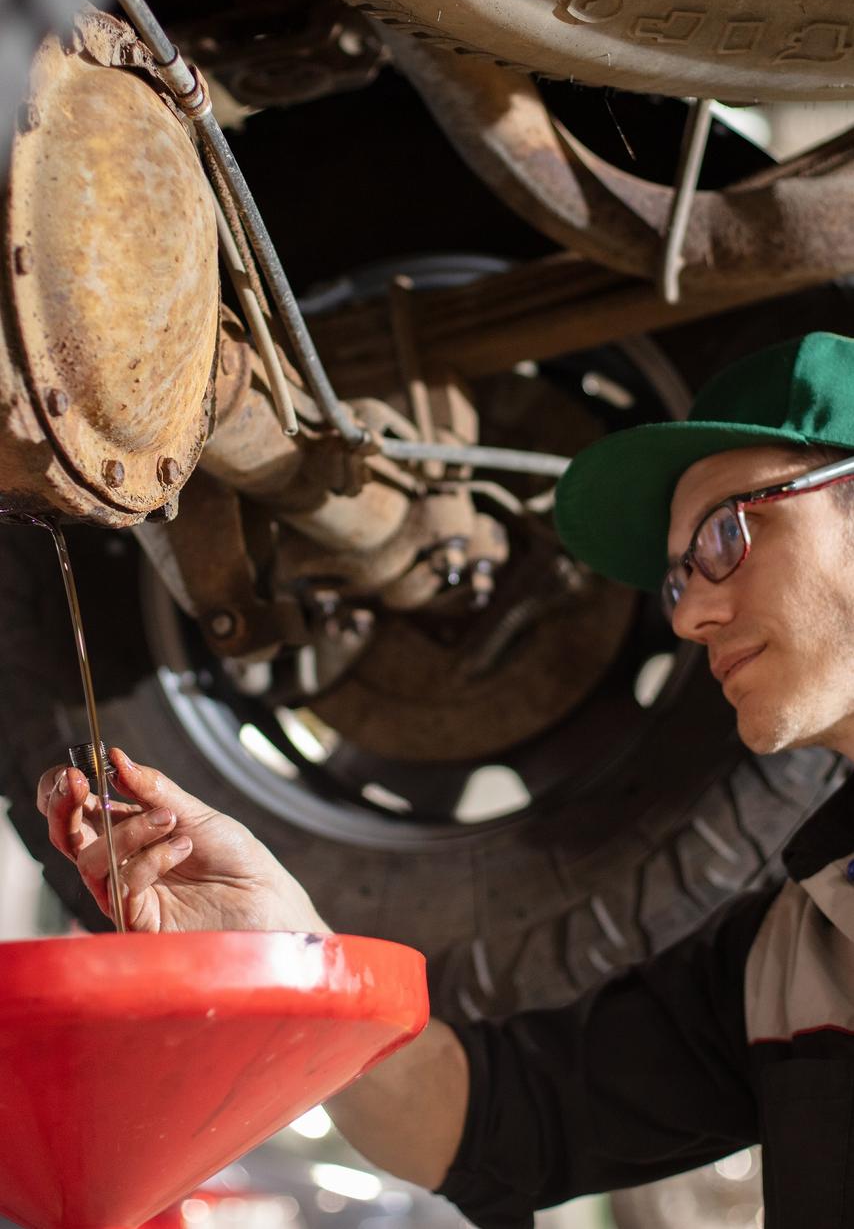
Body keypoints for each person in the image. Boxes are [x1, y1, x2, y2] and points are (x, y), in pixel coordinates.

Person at [37, 330, 854, 1229]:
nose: (693, 613)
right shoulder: (791, 959)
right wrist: (287, 946)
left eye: (726, 534)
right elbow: (489, 1123)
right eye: (674, 582)